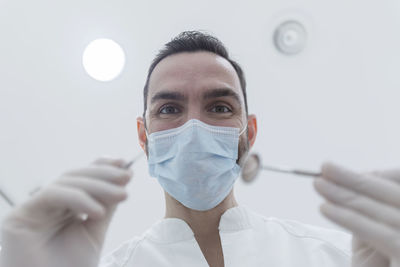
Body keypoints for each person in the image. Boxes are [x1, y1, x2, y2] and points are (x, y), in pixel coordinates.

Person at [1, 31, 400, 267]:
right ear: (144, 137)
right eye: (170, 108)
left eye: (220, 107)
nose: (194, 127)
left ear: (249, 134)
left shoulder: (335, 257)